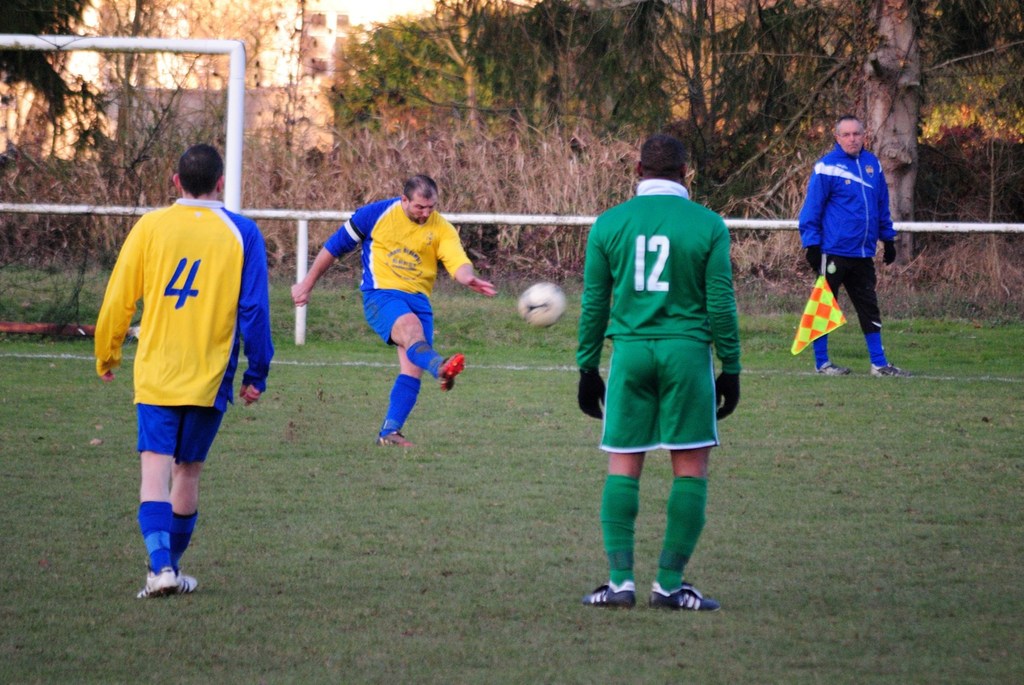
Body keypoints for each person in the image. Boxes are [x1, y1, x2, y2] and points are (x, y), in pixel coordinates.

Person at [94, 144, 274, 598]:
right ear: (220, 183)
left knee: (154, 470)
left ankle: (160, 570)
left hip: (157, 371)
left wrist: (107, 352)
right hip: (210, 376)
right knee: (187, 472)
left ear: (176, 181)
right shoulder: (243, 233)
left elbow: (120, 296)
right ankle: (169, 568)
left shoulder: (151, 226)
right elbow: (254, 309)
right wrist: (257, 372)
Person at [576, 133, 741, 611]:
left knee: (623, 464)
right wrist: (731, 366)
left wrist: (587, 366)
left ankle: (620, 583)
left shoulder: (609, 224)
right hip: (686, 356)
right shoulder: (708, 224)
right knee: (690, 469)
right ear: (686, 172)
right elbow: (721, 304)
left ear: (637, 169)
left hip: (630, 354)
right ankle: (668, 585)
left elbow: (594, 303)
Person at [291, 174, 496, 447]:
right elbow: (334, 247)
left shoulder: (442, 228)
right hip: (381, 295)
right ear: (404, 200)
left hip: (419, 301)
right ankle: (440, 366)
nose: (425, 213)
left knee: (412, 369)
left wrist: (468, 278)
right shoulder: (375, 215)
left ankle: (389, 432)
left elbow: (458, 261)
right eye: (419, 207)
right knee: (411, 330)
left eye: (431, 207)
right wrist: (307, 284)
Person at [798, 114, 910, 377]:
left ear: (864, 136)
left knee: (869, 307)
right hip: (833, 251)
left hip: (863, 254)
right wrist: (812, 245)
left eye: (856, 134)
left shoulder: (873, 165)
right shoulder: (826, 167)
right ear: (837, 137)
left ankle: (879, 364)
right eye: (846, 134)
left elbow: (882, 205)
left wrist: (888, 239)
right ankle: (822, 363)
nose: (852, 139)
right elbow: (811, 209)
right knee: (824, 306)